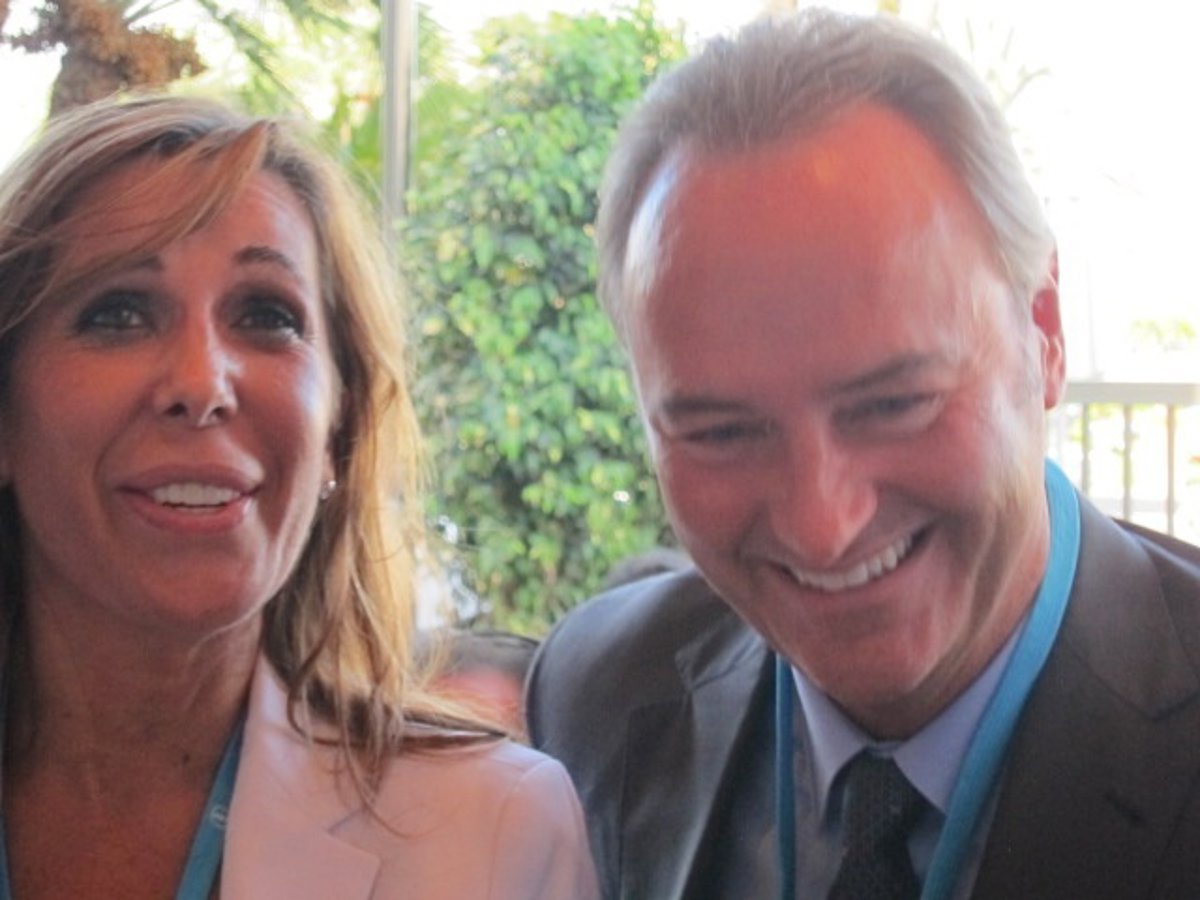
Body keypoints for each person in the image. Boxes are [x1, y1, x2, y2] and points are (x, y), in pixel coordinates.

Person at [526, 9, 1200, 900]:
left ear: (1043, 332)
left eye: (893, 405)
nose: (822, 525)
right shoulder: (597, 695)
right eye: (722, 432)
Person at [0, 94, 598, 899]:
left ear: (338, 431)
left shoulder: (491, 832)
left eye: (266, 315)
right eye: (120, 313)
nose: (202, 385)